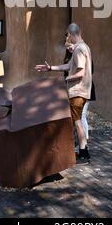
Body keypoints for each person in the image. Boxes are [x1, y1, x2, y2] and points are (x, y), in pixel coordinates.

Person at [35, 23, 92, 164]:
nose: (68, 38)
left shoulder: (79, 49)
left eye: (68, 35)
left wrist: (66, 79)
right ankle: (81, 151)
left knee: (77, 122)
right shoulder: (84, 47)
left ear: (71, 34)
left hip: (77, 91)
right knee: (76, 122)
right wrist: (50, 68)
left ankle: (84, 153)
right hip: (81, 91)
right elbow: (69, 66)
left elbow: (80, 72)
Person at [64, 39, 96, 149]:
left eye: (70, 46)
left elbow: (83, 73)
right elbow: (66, 68)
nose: (69, 49)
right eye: (67, 48)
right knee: (78, 119)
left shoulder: (82, 52)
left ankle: (84, 143)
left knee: (80, 118)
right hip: (76, 89)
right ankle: (81, 143)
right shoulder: (72, 57)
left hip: (83, 89)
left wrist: (69, 77)